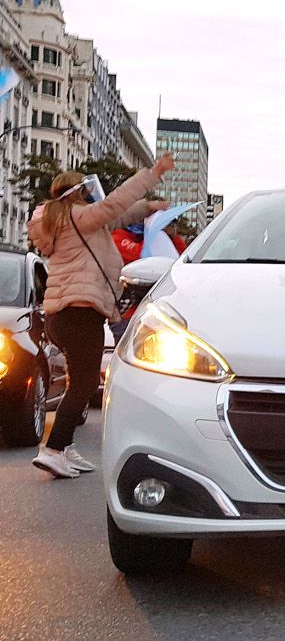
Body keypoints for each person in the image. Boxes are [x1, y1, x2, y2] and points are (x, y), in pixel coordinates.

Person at [28, 154, 175, 479]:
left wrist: (148, 208)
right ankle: (52, 450)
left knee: (77, 383)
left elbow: (117, 216)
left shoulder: (68, 220)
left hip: (64, 315)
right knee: (85, 385)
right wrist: (155, 173)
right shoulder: (80, 217)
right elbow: (114, 204)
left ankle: (62, 447)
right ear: (78, 192)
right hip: (80, 312)